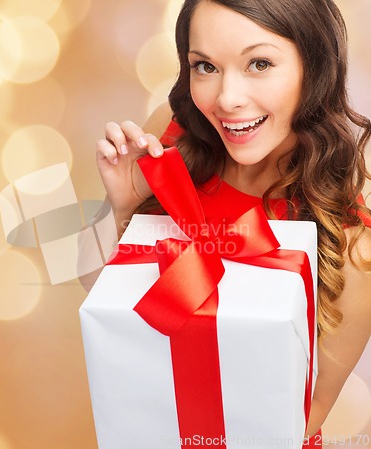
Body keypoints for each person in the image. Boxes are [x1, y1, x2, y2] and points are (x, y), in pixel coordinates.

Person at [95, 0, 371, 445]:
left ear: (315, 66)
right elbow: (101, 302)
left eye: (259, 63)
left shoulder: (353, 245)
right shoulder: (170, 137)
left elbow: (305, 415)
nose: (226, 99)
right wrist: (123, 208)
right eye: (205, 66)